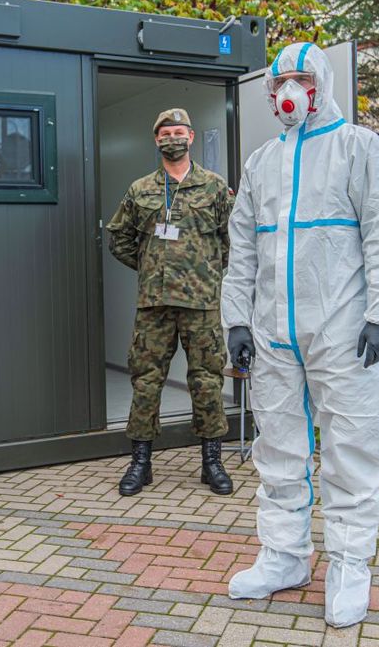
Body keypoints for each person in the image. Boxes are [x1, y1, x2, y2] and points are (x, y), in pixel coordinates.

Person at [221, 43, 379, 628]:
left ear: (322, 82)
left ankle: (350, 565)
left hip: (344, 331)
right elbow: (242, 248)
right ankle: (284, 556)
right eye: (279, 83)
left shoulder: (358, 147)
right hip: (275, 333)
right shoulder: (261, 163)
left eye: (302, 79)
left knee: (350, 449)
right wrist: (237, 319)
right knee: (278, 449)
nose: (290, 92)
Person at [106, 108, 235, 497]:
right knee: (146, 381)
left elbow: (232, 239)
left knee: (207, 381)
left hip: (201, 303)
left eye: (179, 132)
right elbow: (119, 238)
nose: (172, 138)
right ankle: (140, 464)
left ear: (191, 137)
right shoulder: (140, 189)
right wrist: (150, 267)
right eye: (165, 133)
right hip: (155, 303)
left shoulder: (215, 187)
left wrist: (206, 270)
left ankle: (212, 462)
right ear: (156, 140)